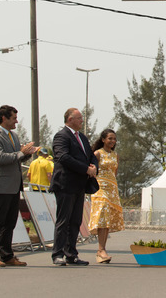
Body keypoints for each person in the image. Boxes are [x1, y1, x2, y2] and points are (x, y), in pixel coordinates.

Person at [0, 105, 37, 267]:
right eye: (13, 118)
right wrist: (21, 153)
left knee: (10, 222)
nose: (16, 121)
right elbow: (0, 158)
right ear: (4, 118)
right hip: (1, 186)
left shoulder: (14, 136)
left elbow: (16, 158)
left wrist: (26, 153)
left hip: (14, 186)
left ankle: (7, 254)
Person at [50, 108, 98, 266]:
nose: (82, 121)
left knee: (76, 221)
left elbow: (90, 156)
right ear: (70, 119)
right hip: (65, 184)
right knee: (63, 220)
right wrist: (85, 169)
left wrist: (94, 166)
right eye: (79, 118)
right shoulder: (61, 136)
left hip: (79, 185)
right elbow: (63, 157)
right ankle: (58, 254)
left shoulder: (82, 138)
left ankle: (71, 253)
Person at [88, 128, 123, 264]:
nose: (112, 141)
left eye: (114, 139)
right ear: (103, 139)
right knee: (102, 213)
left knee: (107, 217)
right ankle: (101, 249)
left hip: (112, 189)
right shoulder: (97, 154)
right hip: (100, 188)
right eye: (110, 138)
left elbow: (115, 172)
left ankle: (101, 250)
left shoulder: (115, 156)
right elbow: (92, 171)